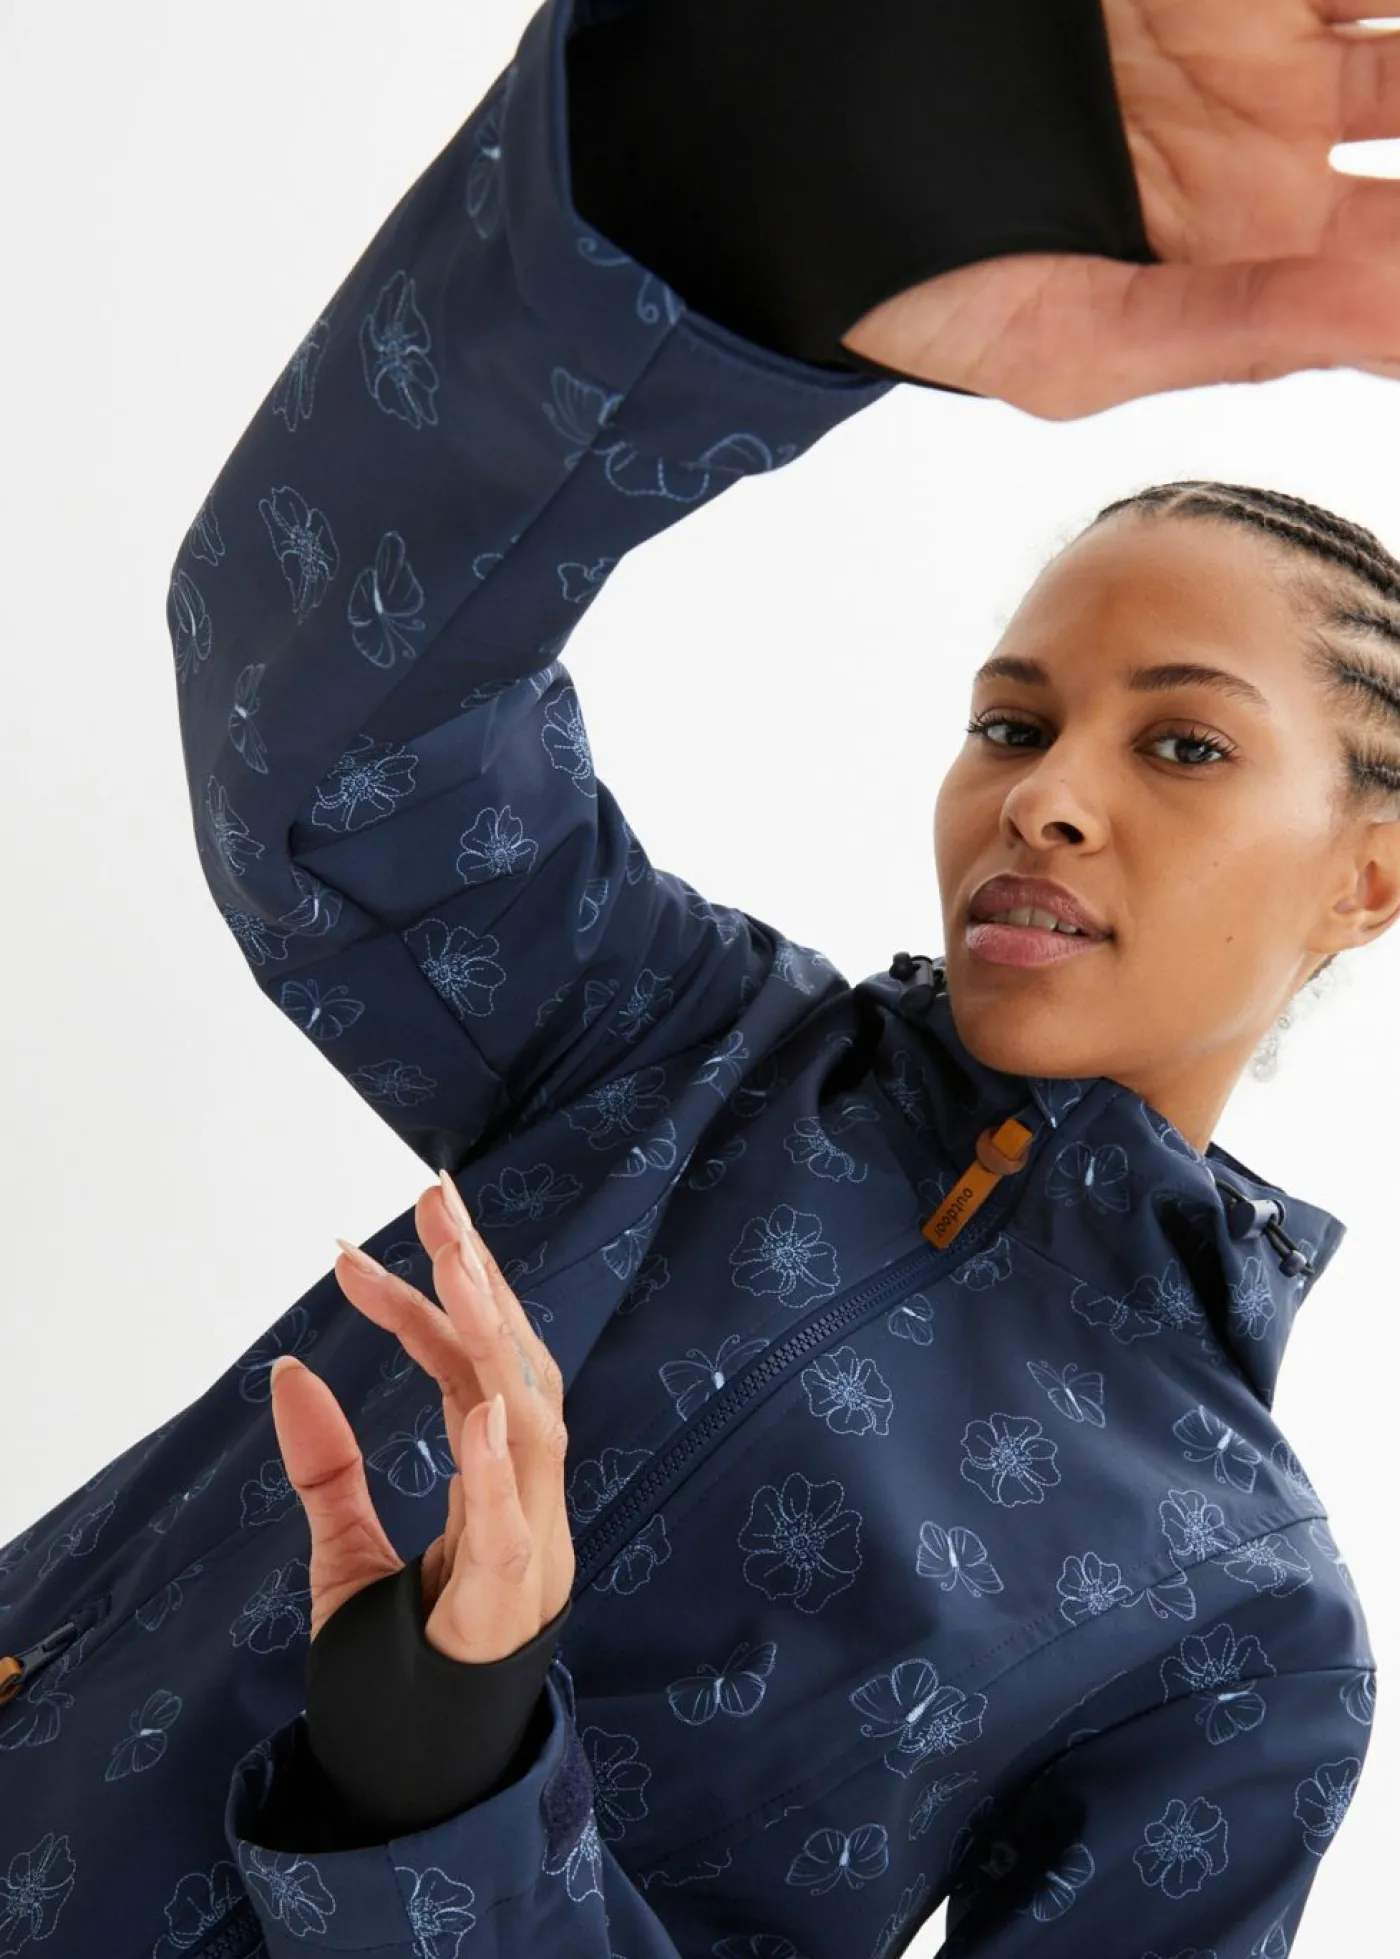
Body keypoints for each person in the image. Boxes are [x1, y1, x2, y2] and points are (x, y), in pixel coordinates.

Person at [1, 1, 1397, 1955]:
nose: (1045, 801)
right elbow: (327, 723)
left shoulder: (1237, 1628)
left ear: (1369, 874)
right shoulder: (669, 1047)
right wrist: (755, 185)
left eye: (1180, 745)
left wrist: (445, 1774)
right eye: (1008, 723)